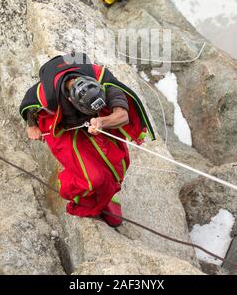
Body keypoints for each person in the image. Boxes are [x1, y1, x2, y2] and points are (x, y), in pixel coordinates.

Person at [20, 52, 155, 226]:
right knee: (93, 178)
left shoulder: (101, 77)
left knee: (119, 161)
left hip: (97, 123)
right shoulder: (46, 94)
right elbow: (27, 106)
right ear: (70, 99)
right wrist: (31, 126)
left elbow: (123, 116)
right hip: (67, 129)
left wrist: (102, 121)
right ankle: (73, 188)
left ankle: (107, 193)